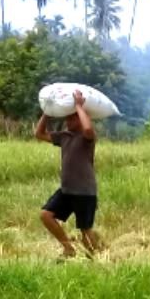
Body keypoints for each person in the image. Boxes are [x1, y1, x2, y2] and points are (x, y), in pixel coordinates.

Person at [36, 90, 102, 260]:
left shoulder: (88, 137)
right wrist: (47, 113)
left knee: (85, 230)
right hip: (67, 190)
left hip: (85, 191)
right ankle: (68, 248)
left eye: (72, 117)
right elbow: (39, 134)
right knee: (46, 215)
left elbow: (87, 127)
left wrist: (79, 106)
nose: (68, 120)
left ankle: (94, 259)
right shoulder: (64, 137)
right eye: (67, 117)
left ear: (81, 117)